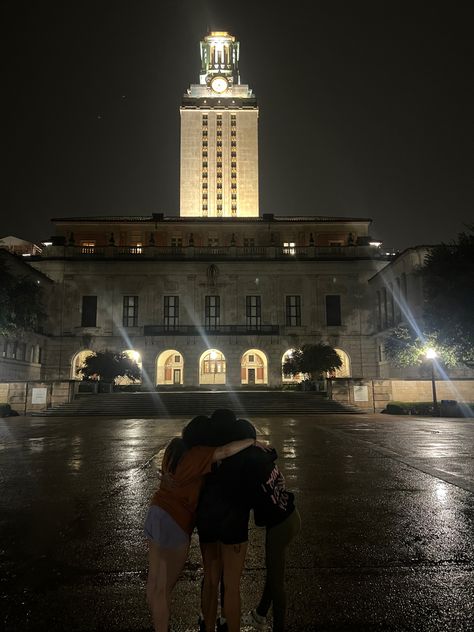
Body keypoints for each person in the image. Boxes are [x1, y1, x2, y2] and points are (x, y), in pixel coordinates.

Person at [144, 425, 256, 632]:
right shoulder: (196, 455)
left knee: (154, 583)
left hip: (155, 514)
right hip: (175, 522)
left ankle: (158, 625)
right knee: (164, 589)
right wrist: (252, 441)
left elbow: (158, 468)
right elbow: (225, 451)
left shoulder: (173, 449)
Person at [241, 445, 300, 632]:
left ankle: (279, 627)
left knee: (277, 584)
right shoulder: (263, 460)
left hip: (279, 526)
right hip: (291, 516)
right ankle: (260, 614)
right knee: (274, 572)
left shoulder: (250, 472)